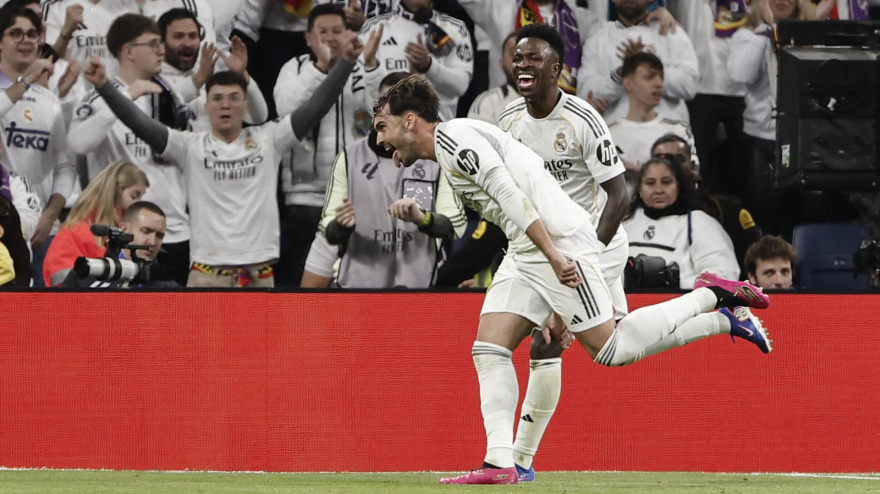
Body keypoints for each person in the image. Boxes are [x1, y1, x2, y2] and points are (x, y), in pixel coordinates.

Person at [373, 74, 773, 485]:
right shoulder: (449, 148)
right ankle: (499, 463)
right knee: (489, 347)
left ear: (409, 120)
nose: (380, 140)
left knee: (611, 349)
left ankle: (713, 301)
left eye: (382, 127)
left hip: (557, 240)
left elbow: (513, 196)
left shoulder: (455, 140)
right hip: (525, 246)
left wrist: (553, 254)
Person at [81, 29, 368, 287]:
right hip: (206, 276)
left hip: (259, 275)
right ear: (206, 106)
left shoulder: (270, 138)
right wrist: (105, 87)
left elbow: (317, 106)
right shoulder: (189, 146)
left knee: (261, 348)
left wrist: (345, 63)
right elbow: (140, 124)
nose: (225, 105)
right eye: (217, 98)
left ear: (245, 106)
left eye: (233, 98)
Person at [496, 24, 629, 482]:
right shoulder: (508, 122)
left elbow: (619, 197)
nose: (523, 65)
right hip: (543, 250)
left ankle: (711, 304)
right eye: (518, 58)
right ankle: (519, 464)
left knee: (611, 348)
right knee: (548, 341)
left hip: (594, 243)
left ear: (557, 69)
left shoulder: (583, 120)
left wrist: (582, 263)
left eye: (533, 58)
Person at [67, 13, 193, 286]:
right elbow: (77, 143)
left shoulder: (170, 96)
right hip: (123, 237)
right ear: (128, 51)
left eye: (161, 43)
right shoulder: (98, 95)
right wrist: (126, 97)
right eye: (153, 44)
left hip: (175, 231)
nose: (162, 50)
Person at [316, 71, 466, 288]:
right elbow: (328, 231)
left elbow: (456, 226)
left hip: (416, 295)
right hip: (357, 295)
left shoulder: (437, 160)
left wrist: (422, 218)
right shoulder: (349, 158)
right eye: (382, 103)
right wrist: (341, 226)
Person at [275, 4, 384, 286]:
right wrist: (322, 70)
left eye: (338, 31)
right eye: (323, 32)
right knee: (305, 284)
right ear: (308, 38)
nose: (331, 38)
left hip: (357, 195)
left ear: (349, 34)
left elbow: (384, 114)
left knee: (356, 282)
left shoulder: (364, 69)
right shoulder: (295, 68)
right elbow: (286, 110)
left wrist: (371, 66)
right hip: (305, 197)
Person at [0, 6, 76, 286]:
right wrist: (28, 78)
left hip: (43, 230)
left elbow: (66, 166)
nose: (26, 40)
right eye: (15, 33)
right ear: (0, 41)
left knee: (41, 323)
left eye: (32, 34)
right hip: (3, 229)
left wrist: (50, 214)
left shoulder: (49, 101)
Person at [650, 134, 760, 276]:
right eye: (662, 160)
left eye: (678, 159)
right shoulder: (634, 215)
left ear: (692, 166)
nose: (671, 166)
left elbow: (753, 260)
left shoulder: (726, 209)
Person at [622, 156, 740, 288]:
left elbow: (724, 275)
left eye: (666, 182)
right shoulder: (624, 222)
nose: (658, 190)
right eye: (650, 183)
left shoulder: (700, 224)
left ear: (679, 186)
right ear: (639, 190)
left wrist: (676, 283)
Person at [576, 0, 698, 126]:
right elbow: (584, 94)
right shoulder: (597, 39)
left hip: (668, 134)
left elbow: (689, 84)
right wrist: (621, 74)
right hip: (616, 136)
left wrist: (647, 69)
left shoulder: (668, 29)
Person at [359, 0, 473, 121]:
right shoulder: (373, 28)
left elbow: (461, 86)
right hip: (385, 129)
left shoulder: (455, 28)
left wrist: (429, 66)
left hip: (437, 130)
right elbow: (359, 92)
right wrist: (372, 64)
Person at [159, 8, 268, 132]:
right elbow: (159, 108)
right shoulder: (152, 76)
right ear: (161, 41)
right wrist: (197, 80)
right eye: (179, 36)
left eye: (192, 36)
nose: (187, 43)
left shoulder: (212, 71)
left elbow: (259, 117)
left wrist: (242, 75)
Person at [43, 160, 148, 286]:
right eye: (134, 196)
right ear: (114, 193)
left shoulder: (130, 236)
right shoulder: (72, 235)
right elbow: (63, 285)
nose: (138, 204)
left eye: (141, 197)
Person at [608, 52, 695, 172]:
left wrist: (635, 170)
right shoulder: (607, 136)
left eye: (661, 78)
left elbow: (693, 177)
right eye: (649, 77)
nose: (659, 84)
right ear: (628, 83)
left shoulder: (680, 131)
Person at [467, 32, 520, 126]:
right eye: (514, 54)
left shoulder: (552, 103)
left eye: (529, 55)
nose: (522, 61)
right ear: (502, 63)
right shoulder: (488, 102)